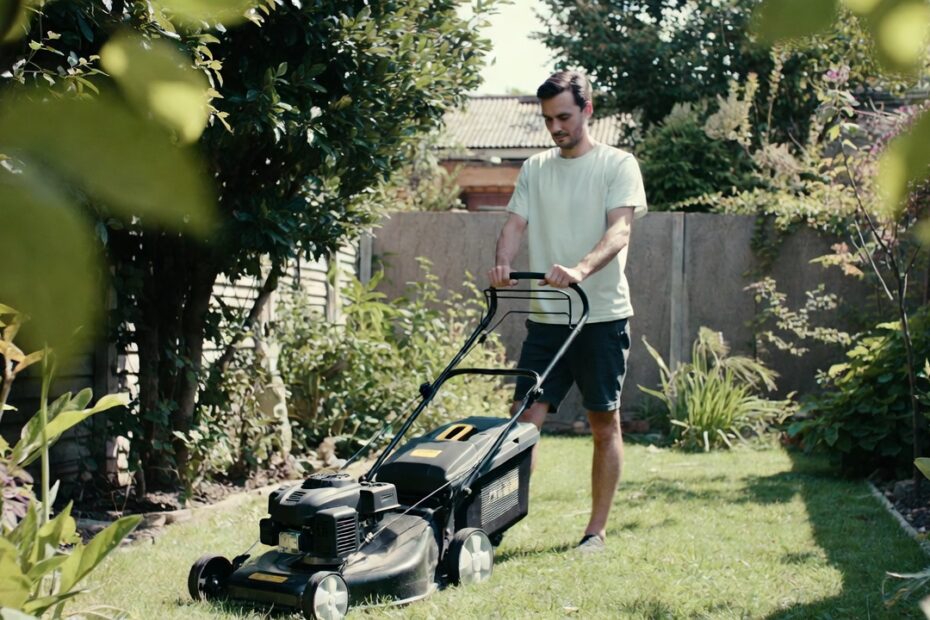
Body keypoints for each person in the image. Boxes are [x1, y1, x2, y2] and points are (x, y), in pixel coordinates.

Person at [487, 70, 647, 553]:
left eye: (564, 117)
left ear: (587, 111)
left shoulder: (618, 165)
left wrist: (580, 268)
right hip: (547, 320)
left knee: (604, 424)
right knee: (523, 424)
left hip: (601, 317)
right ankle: (493, 524)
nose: (555, 127)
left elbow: (620, 232)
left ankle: (595, 531)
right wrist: (503, 263)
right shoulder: (536, 169)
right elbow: (515, 224)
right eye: (548, 119)